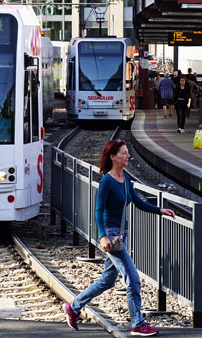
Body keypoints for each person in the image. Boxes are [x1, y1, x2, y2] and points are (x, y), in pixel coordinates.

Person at [63, 139, 175, 337]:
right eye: (123, 153)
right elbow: (98, 210)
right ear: (113, 157)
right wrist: (102, 236)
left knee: (107, 280)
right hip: (111, 235)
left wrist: (160, 210)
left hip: (120, 235)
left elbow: (139, 203)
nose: (127, 156)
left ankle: (73, 307)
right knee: (132, 278)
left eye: (127, 153)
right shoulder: (107, 181)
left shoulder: (126, 180)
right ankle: (138, 324)